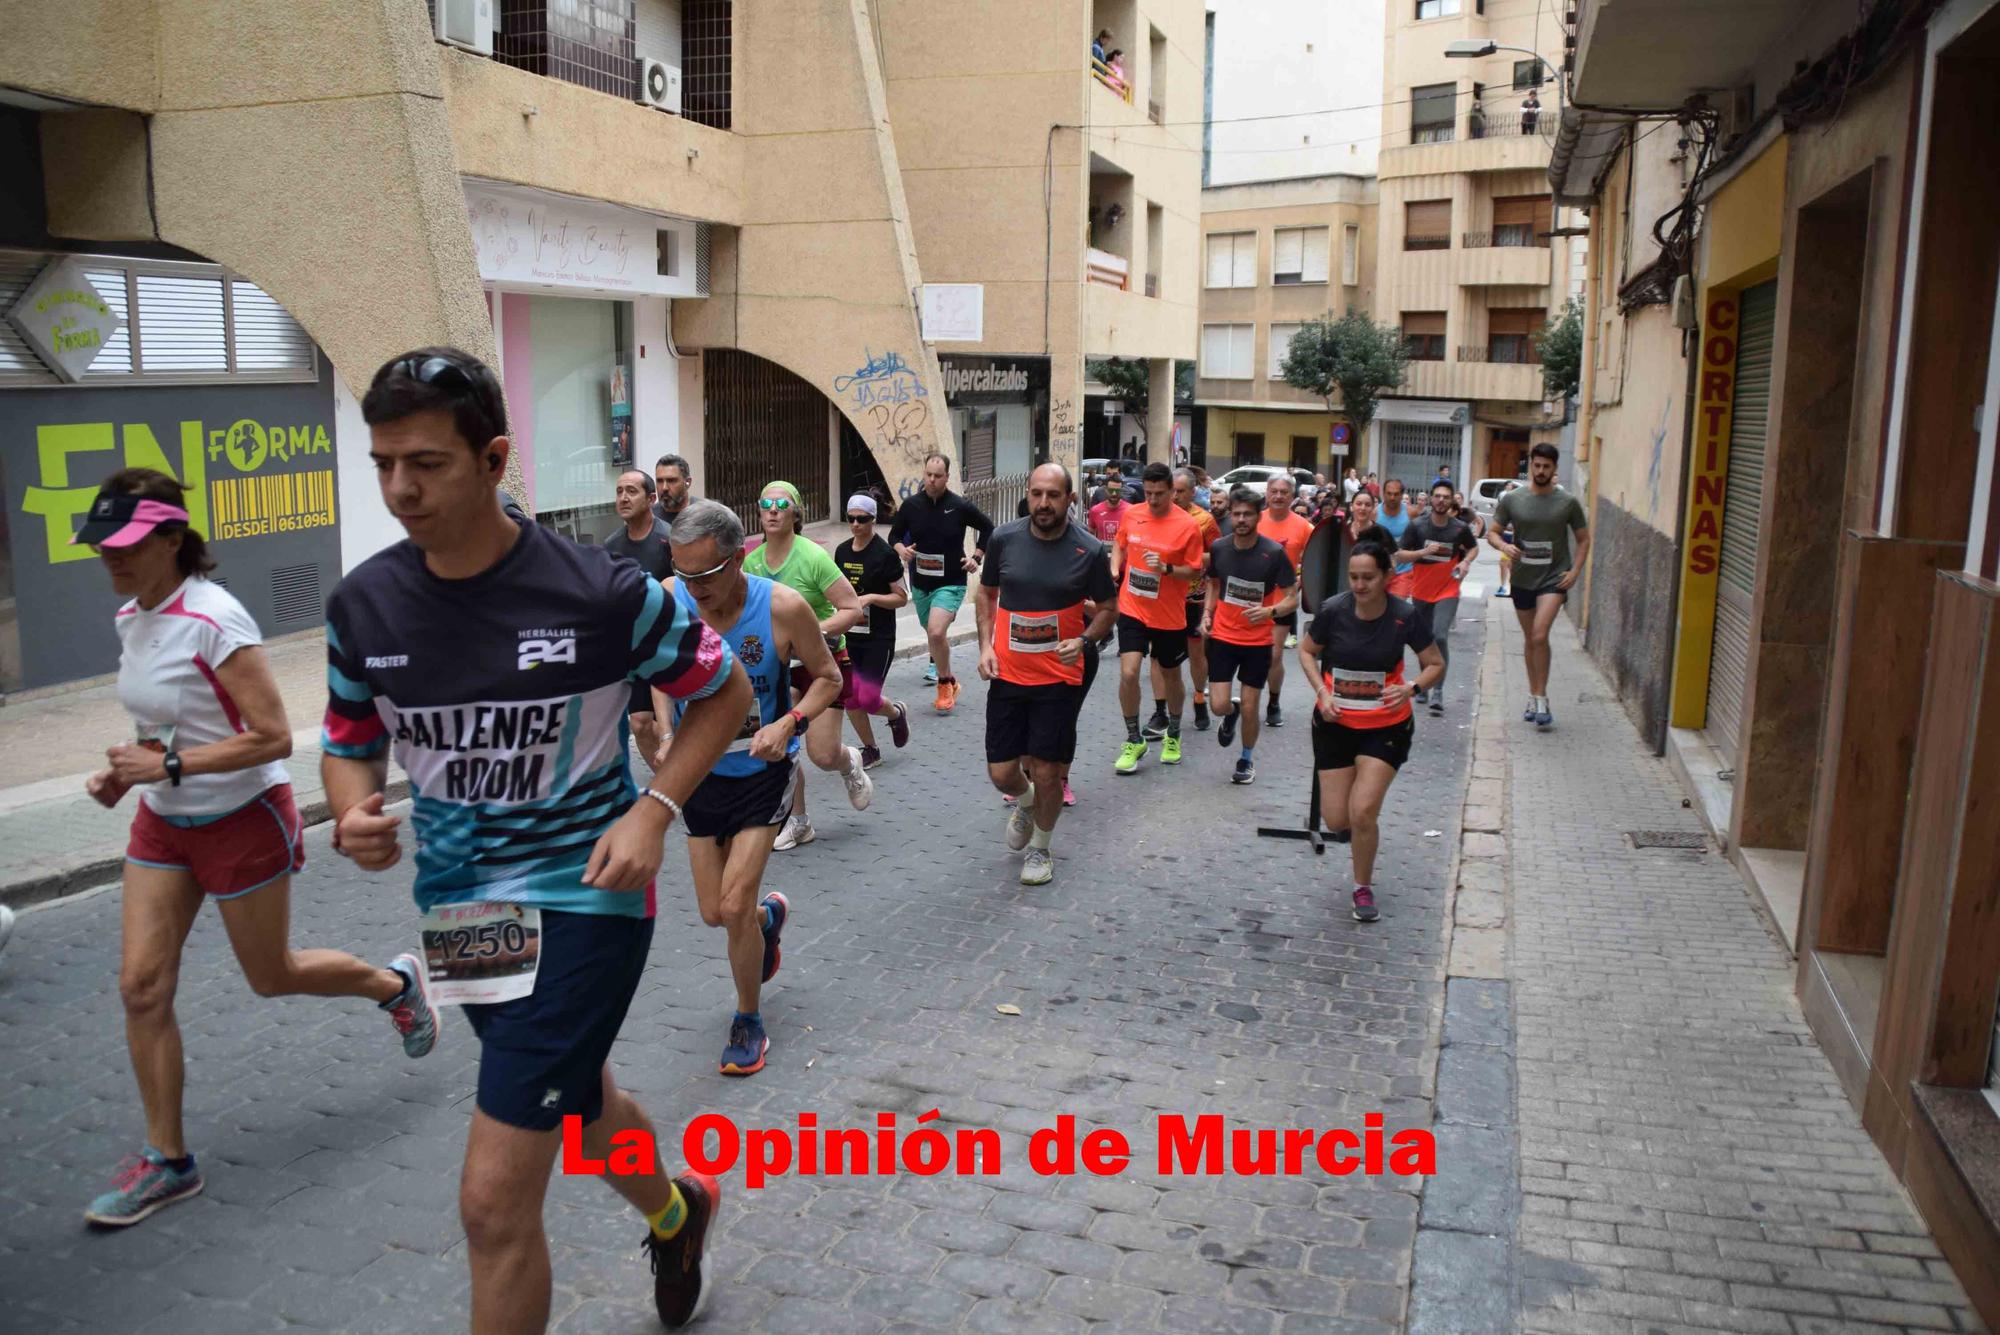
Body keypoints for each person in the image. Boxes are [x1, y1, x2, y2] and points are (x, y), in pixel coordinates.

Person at [322, 347, 754, 1330]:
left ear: (493, 458)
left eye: (425, 463)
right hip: (462, 901)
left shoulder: (598, 593)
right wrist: (351, 806)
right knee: (578, 1098)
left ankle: (674, 1212)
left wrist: (654, 809)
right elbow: (348, 742)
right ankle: (678, 1209)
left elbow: (721, 692)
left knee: (491, 1197)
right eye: (384, 461)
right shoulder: (365, 605)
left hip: (586, 894)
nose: (399, 487)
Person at [70, 468, 432, 1230]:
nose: (111, 556)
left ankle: (393, 986)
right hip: (165, 823)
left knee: (274, 975)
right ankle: (168, 1161)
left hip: (243, 817)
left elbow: (272, 736)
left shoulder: (215, 619)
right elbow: (162, 722)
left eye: (127, 543)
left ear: (173, 540)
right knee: (140, 985)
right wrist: (127, 770)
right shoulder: (131, 616)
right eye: (102, 543)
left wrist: (167, 765)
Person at [666, 501, 840, 1077]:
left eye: (706, 575)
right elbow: (654, 678)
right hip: (699, 775)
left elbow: (828, 679)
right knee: (715, 913)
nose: (695, 588)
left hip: (764, 773)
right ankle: (767, 923)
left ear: (738, 558)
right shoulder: (672, 601)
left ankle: (747, 1019)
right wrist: (666, 734)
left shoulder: (782, 607)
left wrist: (789, 723)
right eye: (683, 574)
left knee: (733, 904)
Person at [978, 464, 1117, 884]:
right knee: (1002, 771)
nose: (1043, 503)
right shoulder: (1004, 539)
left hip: (1058, 678)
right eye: (1037, 493)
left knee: (1046, 769)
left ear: (1070, 499)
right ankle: (1026, 802)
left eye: (1053, 495)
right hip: (1008, 673)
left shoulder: (1088, 550)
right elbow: (986, 594)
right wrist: (985, 644)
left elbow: (1108, 609)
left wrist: (1086, 640)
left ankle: (1040, 848)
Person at [1299, 541, 1445, 924]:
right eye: (1354, 577)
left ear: (1387, 578)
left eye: (1368, 578)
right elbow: (1306, 652)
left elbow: (1435, 663)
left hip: (1386, 726)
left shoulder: (1403, 616)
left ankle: (1362, 887)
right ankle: (1356, 834)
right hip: (1335, 725)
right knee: (1336, 820)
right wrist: (1321, 691)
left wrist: (1411, 688)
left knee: (1362, 811)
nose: (1360, 585)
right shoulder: (1334, 610)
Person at [744, 481, 875, 847]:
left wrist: (812, 631)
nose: (772, 510)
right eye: (765, 503)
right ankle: (798, 820)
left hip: (822, 662)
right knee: (783, 742)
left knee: (821, 753)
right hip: (779, 665)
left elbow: (851, 610)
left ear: (795, 513)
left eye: (780, 504)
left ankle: (848, 760)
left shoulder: (813, 557)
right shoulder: (752, 562)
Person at [1111, 462, 1206, 774]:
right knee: (1128, 673)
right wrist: (1115, 567)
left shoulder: (1187, 526)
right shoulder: (1133, 513)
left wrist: (1165, 568)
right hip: (1132, 606)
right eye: (1148, 493)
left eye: (1160, 494)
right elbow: (1119, 543)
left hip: (1168, 613)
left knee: (1171, 675)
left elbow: (1194, 569)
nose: (1152, 499)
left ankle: (1174, 733)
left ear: (1171, 492)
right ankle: (1133, 738)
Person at [1201, 486, 1299, 785]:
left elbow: (1292, 598)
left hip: (1258, 641)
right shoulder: (1220, 548)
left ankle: (1245, 759)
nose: (1241, 519)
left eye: (1247, 514)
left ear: (1258, 516)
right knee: (1218, 704)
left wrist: (1270, 613)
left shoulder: (1273, 552)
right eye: (1237, 513)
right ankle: (1229, 716)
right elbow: (1214, 585)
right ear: (1230, 515)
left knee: (1250, 704)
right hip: (1223, 637)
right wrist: (1207, 613)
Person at [1489, 443, 1590, 729]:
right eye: (1537, 465)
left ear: (1555, 468)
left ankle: (1542, 697)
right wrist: (1504, 547)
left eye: (1547, 466)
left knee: (1539, 634)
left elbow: (1584, 539)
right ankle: (1533, 695)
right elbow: (1493, 533)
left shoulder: (1567, 502)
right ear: (1530, 465)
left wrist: (1575, 570)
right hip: (1522, 578)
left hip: (1554, 577)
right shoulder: (1513, 499)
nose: (1542, 471)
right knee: (1530, 638)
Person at [888, 453, 995, 711]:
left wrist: (976, 558)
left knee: (936, 632)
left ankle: (944, 684)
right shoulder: (911, 505)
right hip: (921, 583)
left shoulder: (959, 506)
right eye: (928, 475)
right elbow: (894, 535)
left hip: (951, 582)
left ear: (947, 477)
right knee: (934, 635)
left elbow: (989, 528)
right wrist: (901, 549)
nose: (932, 480)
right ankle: (952, 681)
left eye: (938, 476)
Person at [833, 494, 913, 767]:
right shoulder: (842, 552)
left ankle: (895, 713)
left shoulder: (885, 554)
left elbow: (901, 597)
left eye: (862, 519)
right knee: (850, 697)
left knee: (867, 697)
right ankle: (871, 749)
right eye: (851, 518)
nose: (856, 524)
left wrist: (871, 599)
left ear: (873, 519)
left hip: (878, 637)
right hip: (849, 635)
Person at [603, 468, 675, 766]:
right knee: (640, 723)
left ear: (651, 498)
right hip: (634, 649)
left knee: (673, 722)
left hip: (673, 644)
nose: (623, 497)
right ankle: (667, 785)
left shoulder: (669, 539)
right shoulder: (611, 546)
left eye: (631, 491)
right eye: (619, 491)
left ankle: (688, 776)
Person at [1399, 481, 1480, 715]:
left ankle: (1438, 691)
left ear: (1451, 501)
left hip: (1448, 590)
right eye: (1437, 496)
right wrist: (1423, 552)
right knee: (1424, 641)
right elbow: (1400, 554)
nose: (1441, 500)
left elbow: (1473, 548)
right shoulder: (1417, 526)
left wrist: (1465, 561)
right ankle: (1424, 685)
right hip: (1422, 591)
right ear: (1431, 499)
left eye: (1446, 497)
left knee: (1439, 636)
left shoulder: (1458, 528)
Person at [1150, 467, 1219, 735]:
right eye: (1173, 490)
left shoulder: (1205, 521)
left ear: (1193, 492)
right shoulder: (1156, 516)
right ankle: (1159, 711)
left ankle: (1199, 697)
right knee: (1157, 655)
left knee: (1196, 652)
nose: (1176, 496)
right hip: (1161, 596)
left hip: (1193, 595)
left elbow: (1217, 555)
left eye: (1181, 491)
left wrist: (1187, 559)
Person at [1257, 475, 1314, 729]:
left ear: (1292, 496)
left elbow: (1316, 560)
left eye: (1284, 492)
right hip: (1250, 600)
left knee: (1273, 655)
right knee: (1250, 655)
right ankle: (1249, 698)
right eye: (1274, 491)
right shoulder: (1254, 521)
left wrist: (1303, 581)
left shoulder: (1303, 527)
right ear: (1267, 493)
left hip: (1283, 601)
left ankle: (1273, 702)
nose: (1279, 496)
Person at [1087, 475, 1132, 543]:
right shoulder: (1095, 510)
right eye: (1111, 490)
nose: (1114, 494)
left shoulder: (1131, 510)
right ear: (1106, 490)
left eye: (1117, 491)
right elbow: (1090, 535)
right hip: (1102, 552)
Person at [653, 453, 694, 527]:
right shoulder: (649, 516)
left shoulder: (706, 515)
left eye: (671, 481)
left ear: (688, 482)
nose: (664, 488)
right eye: (659, 481)